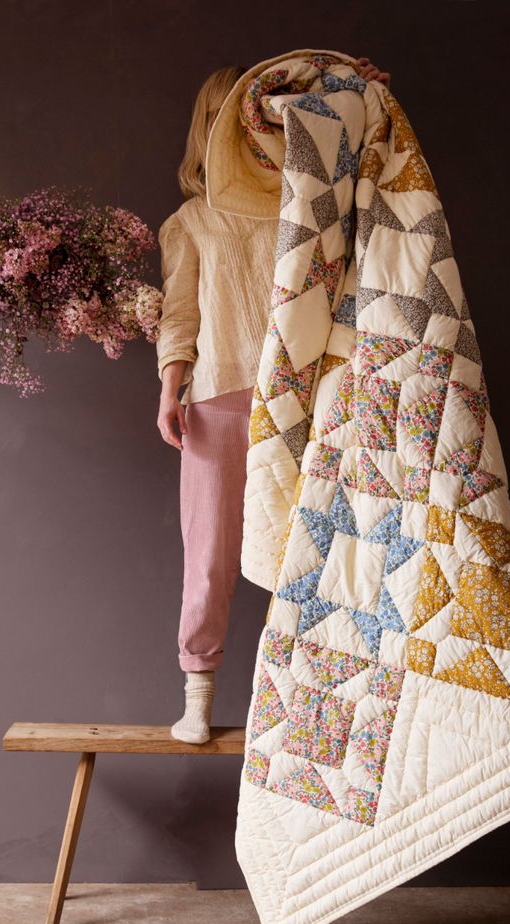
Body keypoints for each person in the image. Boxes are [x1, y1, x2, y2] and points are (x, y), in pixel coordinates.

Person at [155, 55, 391, 745]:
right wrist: (171, 386)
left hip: (307, 400)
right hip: (217, 401)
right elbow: (180, 314)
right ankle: (198, 694)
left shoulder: (314, 209)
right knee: (210, 558)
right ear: (215, 128)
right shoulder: (192, 219)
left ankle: (302, 703)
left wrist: (360, 89)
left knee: (314, 548)